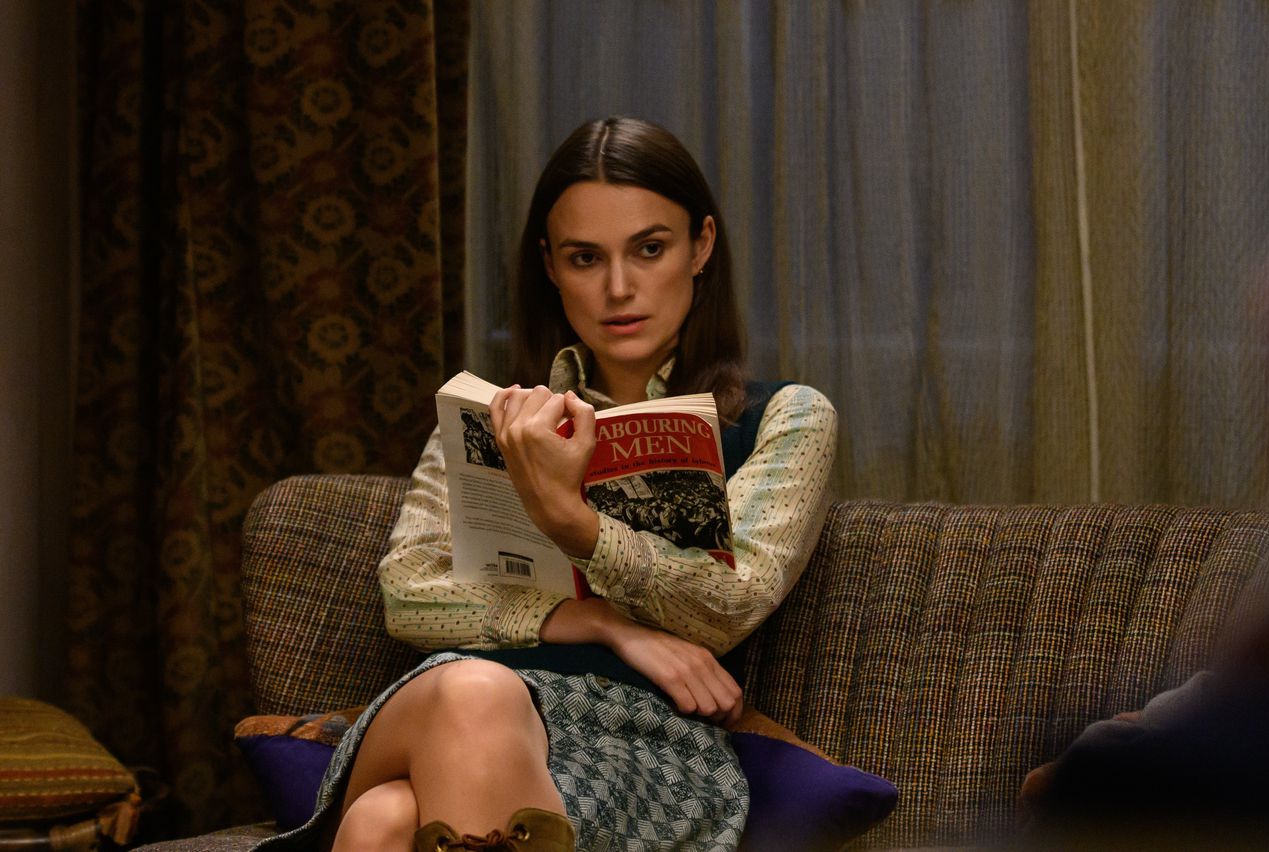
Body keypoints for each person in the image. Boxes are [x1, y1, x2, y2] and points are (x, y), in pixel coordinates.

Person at [256, 116, 837, 852]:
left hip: (642, 742)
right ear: (551, 266)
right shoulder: (489, 417)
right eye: (585, 258)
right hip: (462, 694)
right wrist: (599, 623)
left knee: (384, 821)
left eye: (649, 249)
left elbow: (730, 606)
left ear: (701, 246)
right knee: (474, 690)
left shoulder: (785, 417)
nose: (618, 288)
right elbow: (408, 590)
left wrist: (576, 526)